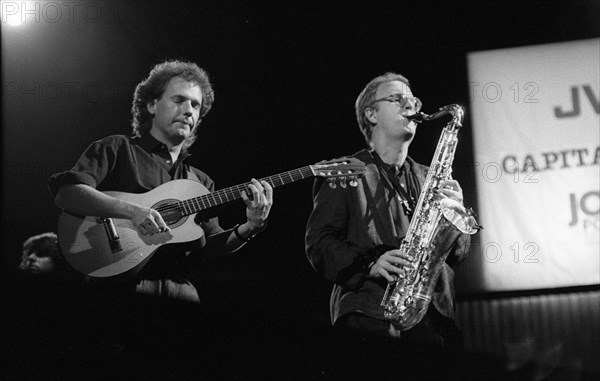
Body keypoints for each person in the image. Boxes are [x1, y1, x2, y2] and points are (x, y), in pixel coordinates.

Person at [48, 60, 272, 303]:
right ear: (153, 105)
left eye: (196, 106)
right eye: (179, 100)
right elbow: (67, 194)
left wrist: (251, 227)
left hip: (180, 292)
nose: (189, 111)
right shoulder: (118, 148)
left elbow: (208, 247)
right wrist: (132, 211)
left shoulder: (201, 182)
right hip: (117, 286)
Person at [305, 72, 476, 379]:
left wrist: (457, 214)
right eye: (397, 99)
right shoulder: (343, 171)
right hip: (369, 315)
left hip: (433, 322)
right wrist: (370, 264)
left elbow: (457, 256)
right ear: (371, 114)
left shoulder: (429, 177)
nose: (409, 105)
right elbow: (319, 243)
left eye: (412, 99)